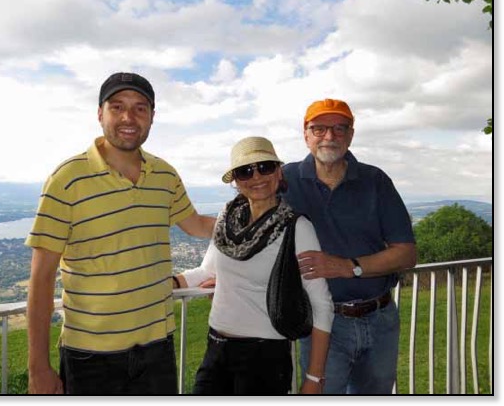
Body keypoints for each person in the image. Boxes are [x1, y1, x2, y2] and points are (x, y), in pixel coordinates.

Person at [25, 72, 216, 395]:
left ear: (152, 117)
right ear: (100, 114)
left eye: (141, 108)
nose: (129, 117)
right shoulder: (66, 179)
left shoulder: (165, 175)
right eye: (117, 107)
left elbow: (196, 224)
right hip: (90, 356)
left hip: (158, 349)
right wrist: (38, 367)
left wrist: (256, 214)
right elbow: (41, 279)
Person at [174, 136, 334, 395]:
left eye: (265, 167)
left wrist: (314, 378)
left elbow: (322, 303)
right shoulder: (228, 221)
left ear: (279, 171)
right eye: (245, 171)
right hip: (216, 348)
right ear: (236, 181)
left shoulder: (297, 228)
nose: (257, 176)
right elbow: (206, 272)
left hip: (265, 357)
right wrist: (170, 283)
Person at [282, 98, 417, 394]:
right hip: (322, 323)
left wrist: (348, 266)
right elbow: (246, 219)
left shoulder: (375, 180)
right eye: (319, 128)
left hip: (381, 320)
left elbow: (406, 253)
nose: (329, 136)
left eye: (339, 128)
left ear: (351, 135)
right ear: (305, 135)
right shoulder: (285, 180)